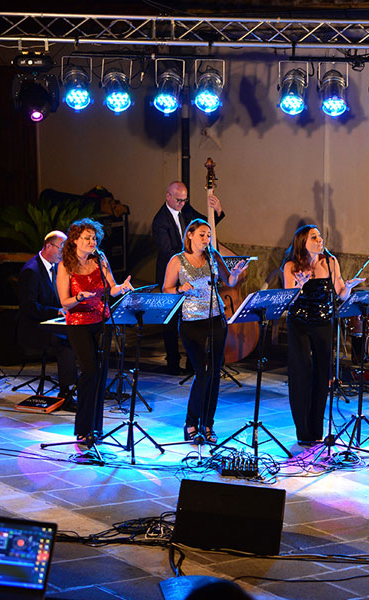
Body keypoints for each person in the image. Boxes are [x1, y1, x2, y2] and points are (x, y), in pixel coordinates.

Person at [163, 219, 248, 443]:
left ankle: (208, 424)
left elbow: (229, 280)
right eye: (202, 234)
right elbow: (166, 289)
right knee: (203, 372)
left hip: (216, 319)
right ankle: (191, 423)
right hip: (192, 322)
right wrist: (180, 289)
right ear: (190, 235)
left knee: (215, 373)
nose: (206, 239)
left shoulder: (213, 256)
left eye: (208, 235)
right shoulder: (177, 260)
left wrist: (235, 274)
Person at [283, 225, 364, 445]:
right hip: (299, 322)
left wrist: (348, 287)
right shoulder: (291, 266)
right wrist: (299, 285)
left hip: (322, 321)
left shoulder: (330, 262)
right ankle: (303, 431)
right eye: (314, 237)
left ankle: (316, 431)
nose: (320, 240)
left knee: (321, 374)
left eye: (320, 237)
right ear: (303, 242)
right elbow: (288, 300)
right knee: (301, 373)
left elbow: (340, 294)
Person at [56, 219, 133, 447]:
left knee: (100, 373)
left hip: (102, 320)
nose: (92, 242)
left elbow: (112, 288)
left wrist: (122, 288)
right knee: (89, 371)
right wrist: (79, 297)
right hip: (78, 322)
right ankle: (82, 428)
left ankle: (95, 428)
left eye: (94, 238)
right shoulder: (65, 266)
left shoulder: (100, 259)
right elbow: (64, 302)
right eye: (87, 238)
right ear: (75, 240)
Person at [152, 181, 225, 374]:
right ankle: (173, 362)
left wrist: (217, 212)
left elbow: (205, 227)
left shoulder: (186, 209)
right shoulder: (159, 221)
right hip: (173, 270)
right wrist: (190, 261)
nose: (182, 204)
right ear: (168, 196)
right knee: (171, 319)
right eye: (179, 200)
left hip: (192, 269)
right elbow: (168, 252)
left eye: (185, 200)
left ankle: (194, 364)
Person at [17, 231, 78, 409]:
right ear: (48, 246)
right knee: (65, 343)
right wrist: (56, 312)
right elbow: (29, 306)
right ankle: (66, 393)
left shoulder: (56, 268)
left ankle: (87, 384)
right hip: (34, 328)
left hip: (50, 323)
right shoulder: (31, 270)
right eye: (62, 248)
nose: (64, 252)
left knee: (82, 333)